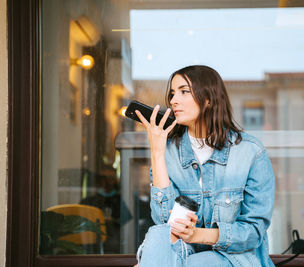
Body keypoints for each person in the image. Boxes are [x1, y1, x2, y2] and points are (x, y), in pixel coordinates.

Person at [134, 65, 275, 266]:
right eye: (172, 93)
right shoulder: (169, 150)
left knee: (195, 263)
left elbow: (253, 231)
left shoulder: (251, 152)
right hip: (182, 254)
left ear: (208, 99)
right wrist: (157, 152)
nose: (173, 100)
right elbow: (165, 222)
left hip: (235, 258)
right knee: (158, 236)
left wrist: (197, 235)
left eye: (184, 91)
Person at [81, 166, 132, 253]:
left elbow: (125, 220)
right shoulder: (89, 201)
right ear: (99, 180)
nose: (107, 181)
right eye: (104, 178)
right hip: (91, 247)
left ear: (115, 180)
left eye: (111, 178)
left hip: (114, 246)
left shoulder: (120, 200)